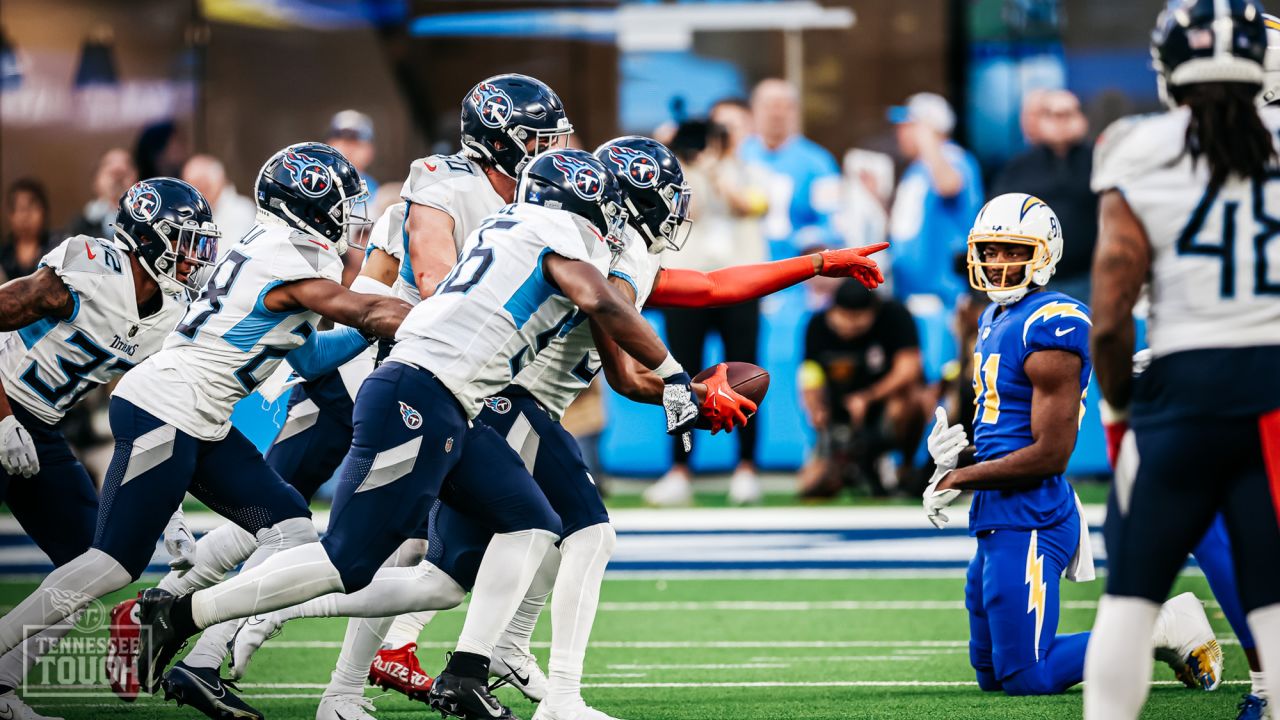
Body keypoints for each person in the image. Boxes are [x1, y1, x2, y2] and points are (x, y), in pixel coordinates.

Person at [226, 136, 885, 720]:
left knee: (440, 574)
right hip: (508, 402)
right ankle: (544, 688)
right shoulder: (607, 253)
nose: (678, 210)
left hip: (486, 401)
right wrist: (686, 391)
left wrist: (819, 262)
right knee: (586, 533)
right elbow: (630, 371)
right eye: (668, 196)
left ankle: (297, 616)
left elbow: (711, 287)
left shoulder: (602, 245)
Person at [129, 148, 711, 720]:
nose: (611, 218)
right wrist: (676, 376)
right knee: (346, 561)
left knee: (531, 525)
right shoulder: (550, 229)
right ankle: (182, 614)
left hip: (455, 402)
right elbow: (601, 299)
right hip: (420, 391)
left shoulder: (515, 223)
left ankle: (467, 672)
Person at [104, 73, 578, 720]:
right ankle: (197, 626)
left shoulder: (519, 207)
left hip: (414, 380)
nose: (550, 148)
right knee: (310, 534)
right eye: (538, 137)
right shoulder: (436, 186)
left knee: (330, 533)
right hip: (376, 382)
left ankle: (229, 651)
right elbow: (386, 291)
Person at [0, 141, 411, 717]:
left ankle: (194, 644)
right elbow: (359, 309)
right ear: (310, 205)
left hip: (196, 414)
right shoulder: (282, 256)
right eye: (343, 202)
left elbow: (313, 357)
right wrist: (437, 322)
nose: (353, 215)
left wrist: (374, 327)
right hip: (168, 408)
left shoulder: (267, 255)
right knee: (112, 564)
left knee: (291, 530)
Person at [922, 192, 1221, 700]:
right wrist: (961, 454)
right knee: (993, 672)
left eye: (1012, 250)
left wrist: (958, 478)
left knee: (1027, 677)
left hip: (1032, 512)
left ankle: (1164, 625)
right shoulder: (994, 317)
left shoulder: (1052, 323)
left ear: (1043, 253)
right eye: (990, 250)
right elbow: (1009, 428)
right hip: (1000, 510)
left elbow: (1049, 455)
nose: (997, 263)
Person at [1081, 2, 1280, 718]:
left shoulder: (1136, 146)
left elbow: (1110, 314)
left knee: (1130, 598)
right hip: (1273, 393)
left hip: (1180, 390)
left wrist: (1122, 408)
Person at [0, 178, 217, 720]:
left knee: (86, 564)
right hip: (5, 404)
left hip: (44, 427)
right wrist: (2, 419)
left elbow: (149, 406)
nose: (196, 256)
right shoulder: (91, 268)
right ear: (148, 236)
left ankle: (1, 688)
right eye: (186, 240)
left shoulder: (172, 310)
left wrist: (168, 508)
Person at [646, 119, 770, 506]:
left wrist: (717, 172)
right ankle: (679, 470)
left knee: (745, 374)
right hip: (686, 284)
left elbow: (752, 205)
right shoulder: (675, 176)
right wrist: (676, 165)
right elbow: (679, 214)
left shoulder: (749, 170)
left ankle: (746, 468)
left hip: (739, 286)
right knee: (678, 377)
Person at [799, 279, 925, 497]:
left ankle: (897, 463)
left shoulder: (895, 315)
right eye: (844, 317)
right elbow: (809, 375)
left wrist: (868, 397)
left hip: (884, 407)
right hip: (839, 415)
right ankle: (847, 464)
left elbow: (909, 368)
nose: (849, 325)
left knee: (914, 400)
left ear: (872, 312)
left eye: (857, 319)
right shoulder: (817, 325)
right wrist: (815, 408)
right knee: (809, 487)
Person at [991, 90, 1097, 301]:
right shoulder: (1019, 167)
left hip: (1091, 277)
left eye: (1068, 114)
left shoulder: (1099, 160)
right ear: (1041, 121)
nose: (1061, 122)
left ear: (1082, 118)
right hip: (1036, 280)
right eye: (1053, 115)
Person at [885, 92, 985, 307]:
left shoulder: (954, 159)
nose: (899, 133)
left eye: (907, 126)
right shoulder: (917, 168)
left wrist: (928, 140)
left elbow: (949, 185)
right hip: (908, 292)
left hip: (942, 296)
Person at [739, 78, 841, 258]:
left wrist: (804, 240)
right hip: (741, 267)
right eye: (768, 106)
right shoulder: (739, 155)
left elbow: (834, 223)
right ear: (753, 110)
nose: (776, 114)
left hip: (794, 274)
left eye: (784, 106)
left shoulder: (819, 162)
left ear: (796, 111)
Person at [181, 154, 257, 245]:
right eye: (189, 185)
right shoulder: (193, 214)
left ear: (218, 179)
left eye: (201, 183)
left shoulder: (242, 210)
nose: (196, 191)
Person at [64, 148, 136, 241]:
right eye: (109, 164)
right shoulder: (78, 227)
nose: (118, 171)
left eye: (127, 165)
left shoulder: (150, 224)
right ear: (95, 181)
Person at [2, 179, 53, 281]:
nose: (25, 216)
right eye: (20, 209)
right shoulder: (3, 254)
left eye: (32, 208)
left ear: (44, 212)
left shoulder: (55, 250)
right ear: (10, 215)